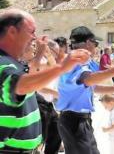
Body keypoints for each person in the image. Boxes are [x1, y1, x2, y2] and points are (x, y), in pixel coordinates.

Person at [0, 9, 90, 153]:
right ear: (12, 32)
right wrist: (61, 67)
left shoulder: (15, 63)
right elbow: (18, 85)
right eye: (31, 32)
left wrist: (44, 53)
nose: (34, 38)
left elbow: (30, 72)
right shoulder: (3, 63)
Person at [56, 26, 114, 154]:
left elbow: (92, 86)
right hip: (74, 120)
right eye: (95, 43)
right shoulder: (76, 61)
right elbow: (87, 80)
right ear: (88, 43)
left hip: (78, 120)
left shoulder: (78, 61)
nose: (96, 47)